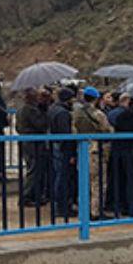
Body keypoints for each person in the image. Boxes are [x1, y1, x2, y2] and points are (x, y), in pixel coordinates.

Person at [74, 87, 113, 219]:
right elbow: (107, 130)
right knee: (98, 182)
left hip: (81, 148)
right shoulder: (98, 114)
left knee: (83, 181)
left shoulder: (76, 113)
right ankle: (96, 211)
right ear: (96, 99)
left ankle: (83, 209)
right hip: (96, 149)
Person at [15, 88, 50, 207]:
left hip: (26, 142)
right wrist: (44, 110)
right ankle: (26, 196)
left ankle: (34, 195)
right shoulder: (31, 110)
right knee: (34, 169)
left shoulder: (21, 109)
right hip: (34, 143)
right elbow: (42, 125)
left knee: (32, 167)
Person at [47, 88, 76, 219]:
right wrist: (71, 154)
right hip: (63, 148)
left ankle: (58, 205)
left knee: (57, 175)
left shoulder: (52, 109)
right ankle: (62, 207)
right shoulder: (63, 113)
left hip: (54, 145)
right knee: (63, 177)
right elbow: (66, 134)